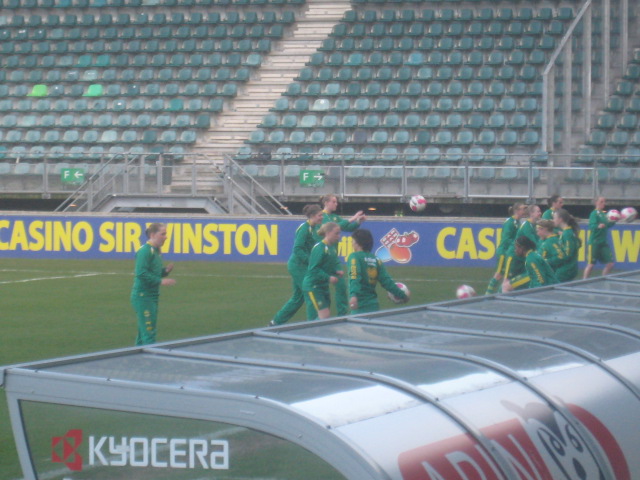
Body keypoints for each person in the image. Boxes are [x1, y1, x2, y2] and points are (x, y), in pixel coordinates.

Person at [270, 205, 324, 326]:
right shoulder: (304, 229)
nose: (322, 217)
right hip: (298, 266)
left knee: (298, 298)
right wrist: (311, 261)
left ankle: (276, 322)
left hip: (302, 266)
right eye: (320, 215)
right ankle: (313, 325)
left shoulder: (315, 228)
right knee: (311, 292)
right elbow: (298, 248)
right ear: (312, 216)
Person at [314, 194, 367, 315]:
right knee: (321, 289)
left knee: (341, 286)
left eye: (336, 202)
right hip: (324, 257)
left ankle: (341, 315)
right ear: (326, 203)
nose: (336, 204)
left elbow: (347, 227)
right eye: (333, 202)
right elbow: (334, 227)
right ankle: (319, 316)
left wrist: (358, 221)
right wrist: (352, 218)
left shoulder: (334, 217)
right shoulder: (322, 217)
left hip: (333, 258)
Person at [130, 223, 176, 345]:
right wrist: (160, 281)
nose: (166, 237)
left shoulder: (156, 251)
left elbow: (153, 273)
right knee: (149, 333)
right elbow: (141, 273)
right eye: (163, 234)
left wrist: (164, 272)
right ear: (152, 235)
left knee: (143, 333)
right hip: (143, 297)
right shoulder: (145, 251)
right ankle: (151, 361)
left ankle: (137, 359)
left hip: (151, 296)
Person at [347, 229, 409, 313]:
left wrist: (353, 295)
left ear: (358, 242)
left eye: (353, 241)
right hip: (373, 306)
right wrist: (402, 295)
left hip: (360, 306)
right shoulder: (376, 260)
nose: (352, 243)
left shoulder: (354, 257)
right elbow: (387, 281)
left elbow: (354, 276)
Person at [303, 222, 343, 320]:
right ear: (328, 233)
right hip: (313, 285)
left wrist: (335, 271)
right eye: (336, 233)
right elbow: (313, 269)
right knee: (324, 315)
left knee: (323, 315)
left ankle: (313, 332)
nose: (339, 236)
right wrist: (328, 277)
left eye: (339, 233)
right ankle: (309, 333)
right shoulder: (320, 247)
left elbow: (326, 266)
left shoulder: (331, 248)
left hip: (322, 286)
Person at [485, 202, 527, 294]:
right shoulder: (510, 222)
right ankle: (488, 295)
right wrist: (518, 244)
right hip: (504, 252)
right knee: (499, 275)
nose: (525, 211)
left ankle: (499, 293)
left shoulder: (519, 222)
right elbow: (506, 239)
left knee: (508, 275)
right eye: (523, 209)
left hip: (510, 252)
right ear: (516, 211)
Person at [503, 203, 542, 281]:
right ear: (531, 213)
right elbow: (534, 243)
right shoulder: (526, 226)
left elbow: (538, 241)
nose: (540, 213)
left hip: (522, 257)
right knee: (507, 281)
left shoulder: (533, 225)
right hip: (514, 256)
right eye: (538, 211)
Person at [583, 196, 616, 279]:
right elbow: (591, 225)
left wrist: (614, 221)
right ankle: (584, 280)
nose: (603, 203)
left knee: (610, 263)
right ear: (596, 203)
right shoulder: (594, 213)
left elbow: (607, 225)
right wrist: (598, 226)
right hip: (594, 242)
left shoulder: (604, 214)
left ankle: (604, 278)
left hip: (603, 242)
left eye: (604, 202)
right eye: (601, 202)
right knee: (591, 264)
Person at [553, 208, 582, 282]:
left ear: (560, 219)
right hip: (569, 267)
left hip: (567, 268)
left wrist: (552, 260)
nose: (553, 220)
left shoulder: (567, 234)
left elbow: (567, 254)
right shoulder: (567, 232)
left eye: (554, 218)